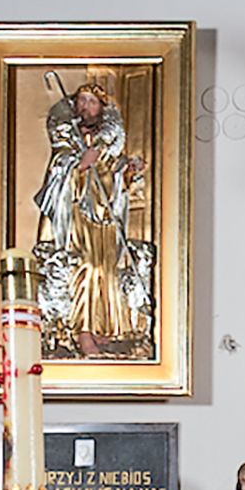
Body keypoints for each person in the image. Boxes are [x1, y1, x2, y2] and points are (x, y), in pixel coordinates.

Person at [33, 80, 148, 358]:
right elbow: (60, 171)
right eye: (81, 101)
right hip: (77, 219)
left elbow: (117, 174)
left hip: (104, 220)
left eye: (92, 102)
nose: (85, 107)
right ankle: (82, 333)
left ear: (101, 109)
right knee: (86, 267)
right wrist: (81, 164)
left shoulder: (107, 143)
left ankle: (99, 329)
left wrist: (129, 170)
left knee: (105, 272)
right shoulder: (68, 140)